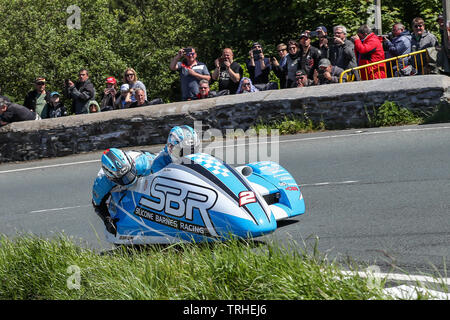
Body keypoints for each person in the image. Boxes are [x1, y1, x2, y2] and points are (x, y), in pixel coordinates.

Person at [92, 125, 200, 235]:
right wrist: (107, 220)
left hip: (143, 168)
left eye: (130, 173)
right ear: (111, 177)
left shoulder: (144, 162)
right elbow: (97, 204)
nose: (129, 178)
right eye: (124, 178)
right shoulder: (101, 183)